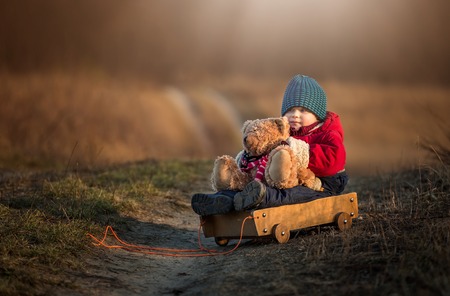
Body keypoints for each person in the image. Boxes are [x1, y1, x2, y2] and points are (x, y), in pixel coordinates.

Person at [191, 74, 348, 216]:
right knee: (247, 185)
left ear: (317, 115)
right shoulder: (285, 132)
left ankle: (262, 197)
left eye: (303, 110)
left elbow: (333, 159)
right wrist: (249, 157)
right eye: (290, 110)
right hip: (282, 179)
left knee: (292, 194)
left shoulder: (328, 132)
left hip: (320, 185)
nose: (295, 115)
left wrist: (293, 150)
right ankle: (221, 200)